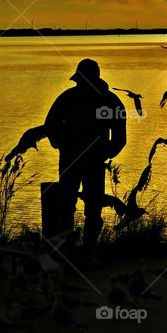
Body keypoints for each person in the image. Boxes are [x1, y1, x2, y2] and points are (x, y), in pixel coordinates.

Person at [44, 59, 126, 256]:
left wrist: (106, 153)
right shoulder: (68, 98)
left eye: (82, 80)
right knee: (66, 204)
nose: (80, 84)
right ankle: (65, 248)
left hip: (93, 161)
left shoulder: (109, 100)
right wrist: (60, 144)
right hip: (71, 159)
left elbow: (119, 135)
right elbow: (51, 125)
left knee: (93, 206)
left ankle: (88, 248)